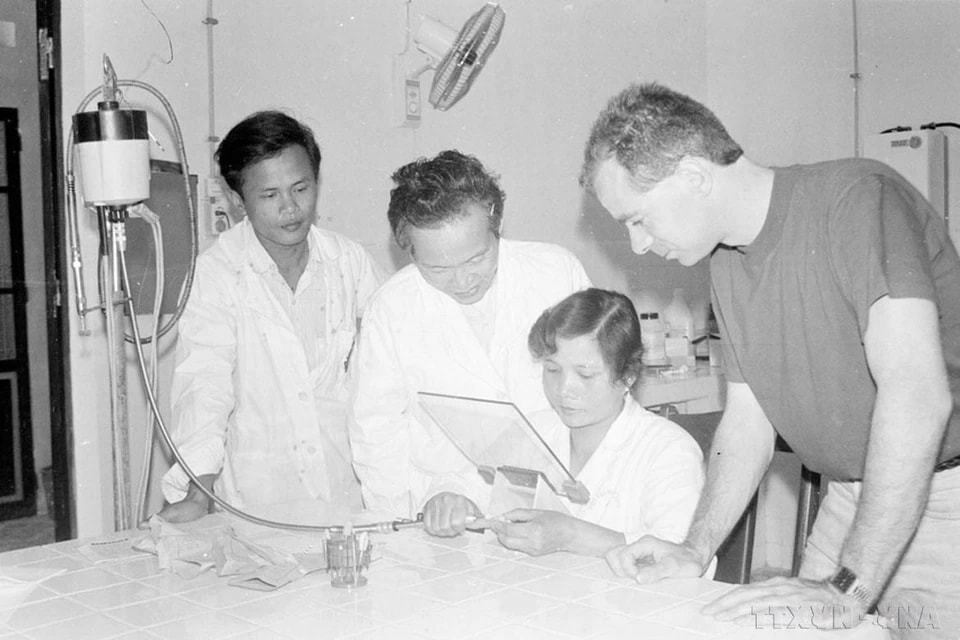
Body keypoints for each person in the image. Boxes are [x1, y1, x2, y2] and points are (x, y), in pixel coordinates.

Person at [579, 82, 960, 637]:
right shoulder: (727, 265)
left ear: (693, 175)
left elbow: (917, 395)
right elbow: (748, 421)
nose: (638, 245)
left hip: (944, 501)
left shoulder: (858, 198)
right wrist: (694, 547)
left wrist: (846, 589)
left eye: (638, 219)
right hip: (853, 498)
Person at [349, 150, 592, 536]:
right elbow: (376, 433)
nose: (463, 282)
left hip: (558, 507)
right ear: (407, 251)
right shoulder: (392, 308)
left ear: (497, 223)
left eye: (477, 258)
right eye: (438, 268)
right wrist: (411, 514)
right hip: (444, 516)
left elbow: (596, 399)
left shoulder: (556, 273)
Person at [159, 110, 386, 522]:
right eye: (269, 195)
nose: (291, 208)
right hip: (259, 499)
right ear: (236, 199)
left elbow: (395, 367)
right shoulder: (216, 275)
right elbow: (204, 387)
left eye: (301, 188)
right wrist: (197, 491)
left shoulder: (349, 262)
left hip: (350, 492)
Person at [487, 288, 704, 557]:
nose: (565, 389)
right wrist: (452, 497)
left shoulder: (669, 449)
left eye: (586, 374)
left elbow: (679, 555)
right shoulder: (534, 432)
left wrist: (571, 535)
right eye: (552, 370)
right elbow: (473, 485)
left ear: (627, 376)